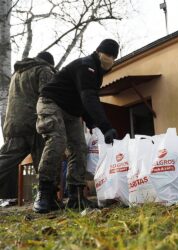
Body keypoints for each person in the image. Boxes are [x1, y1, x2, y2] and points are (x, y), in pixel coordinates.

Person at [34, 39, 119, 213]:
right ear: (98, 51)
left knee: (80, 149)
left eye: (113, 56)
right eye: (107, 54)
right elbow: (88, 97)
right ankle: (45, 193)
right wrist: (105, 126)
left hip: (72, 112)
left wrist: (92, 123)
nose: (109, 58)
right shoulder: (86, 65)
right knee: (57, 141)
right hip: (51, 102)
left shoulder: (97, 73)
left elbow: (84, 99)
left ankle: (76, 196)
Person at [0, 52, 56, 200]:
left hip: (13, 124)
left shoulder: (17, 73)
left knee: (5, 160)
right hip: (34, 124)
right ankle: (48, 198)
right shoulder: (43, 70)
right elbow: (48, 97)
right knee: (44, 160)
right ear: (50, 64)